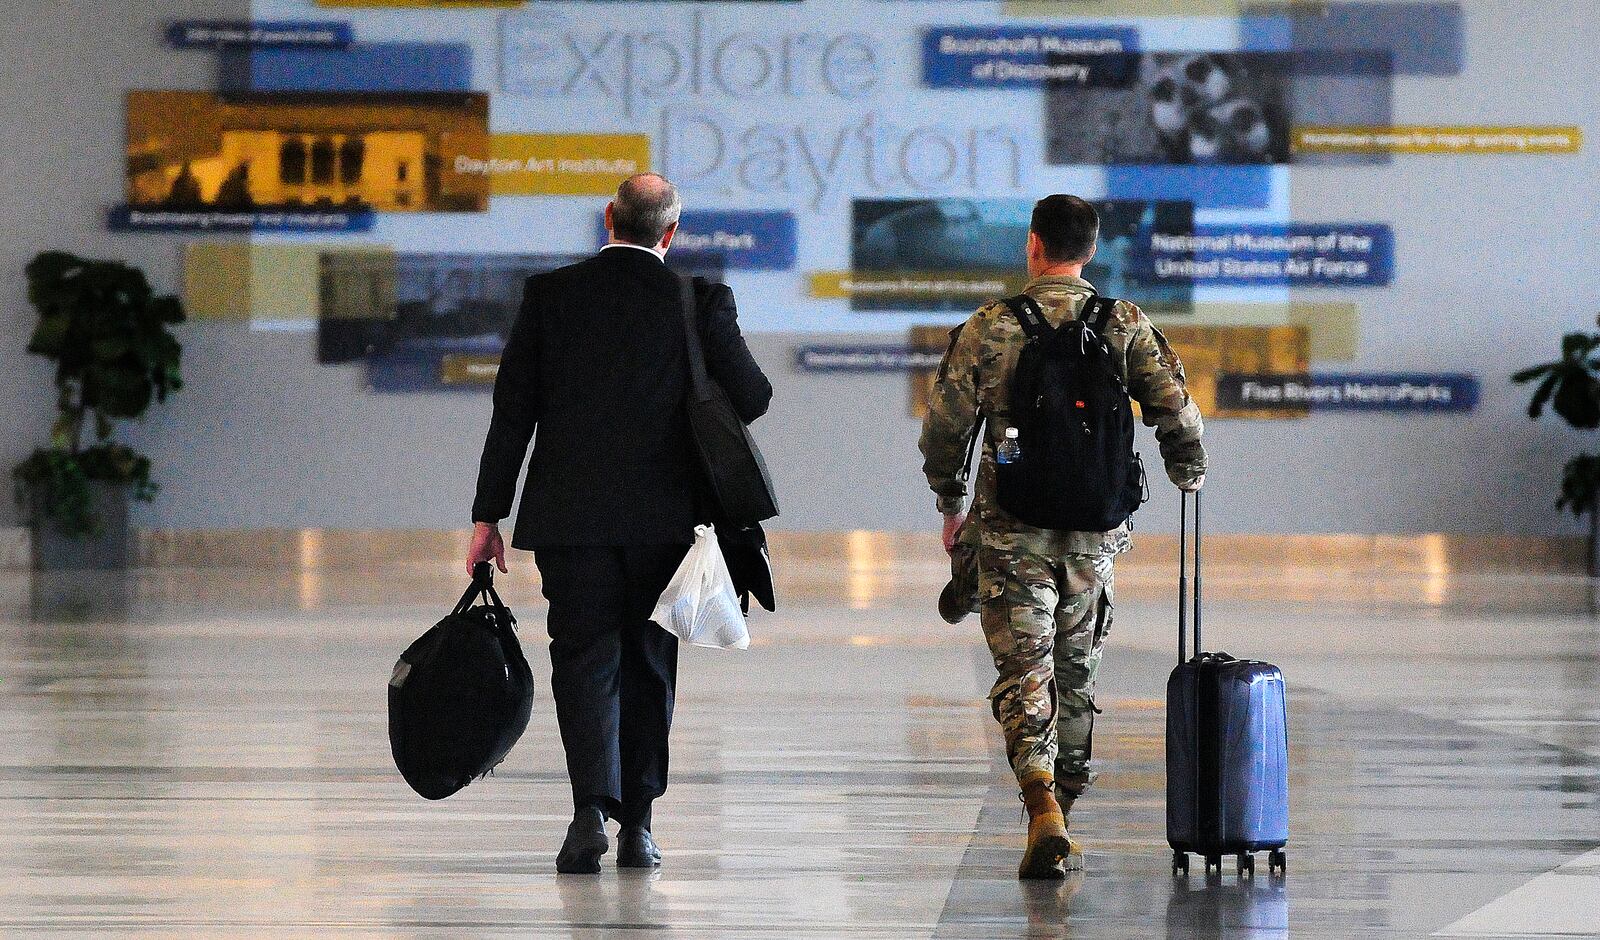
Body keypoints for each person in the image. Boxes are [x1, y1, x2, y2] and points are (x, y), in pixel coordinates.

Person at [467, 172, 773, 874]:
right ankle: (639, 825)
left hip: (570, 519)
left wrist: (488, 516)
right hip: (668, 521)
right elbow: (752, 397)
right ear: (671, 233)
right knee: (649, 663)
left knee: (582, 660)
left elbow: (511, 413)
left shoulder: (551, 297)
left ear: (609, 219)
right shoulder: (699, 301)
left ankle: (585, 817)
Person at [918, 194, 1206, 879]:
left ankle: (1039, 797)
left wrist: (951, 501)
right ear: (1092, 249)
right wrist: (1187, 474)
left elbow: (944, 429)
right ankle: (1064, 810)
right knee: (1075, 672)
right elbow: (1178, 413)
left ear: (1032, 245)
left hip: (1010, 530)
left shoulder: (989, 327)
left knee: (1026, 671)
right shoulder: (1123, 322)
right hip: (1093, 533)